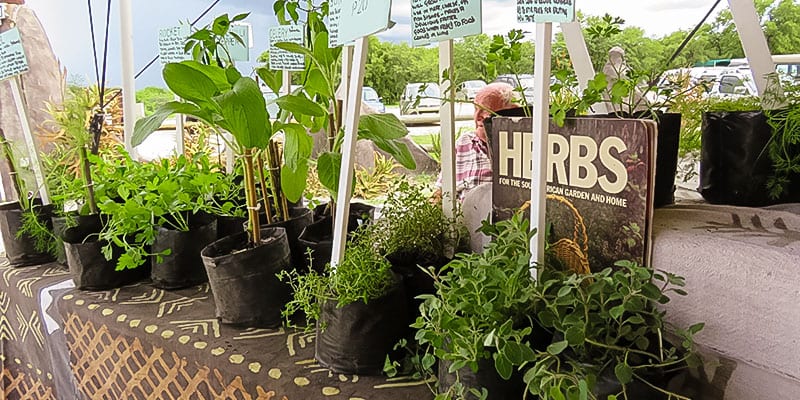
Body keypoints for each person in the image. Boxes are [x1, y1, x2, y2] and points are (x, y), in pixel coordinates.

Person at [433, 82, 517, 202]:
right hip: (466, 220)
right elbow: (439, 194)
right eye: (476, 109)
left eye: (485, 109)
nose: (477, 116)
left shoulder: (524, 146)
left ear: (512, 111)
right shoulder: (463, 143)